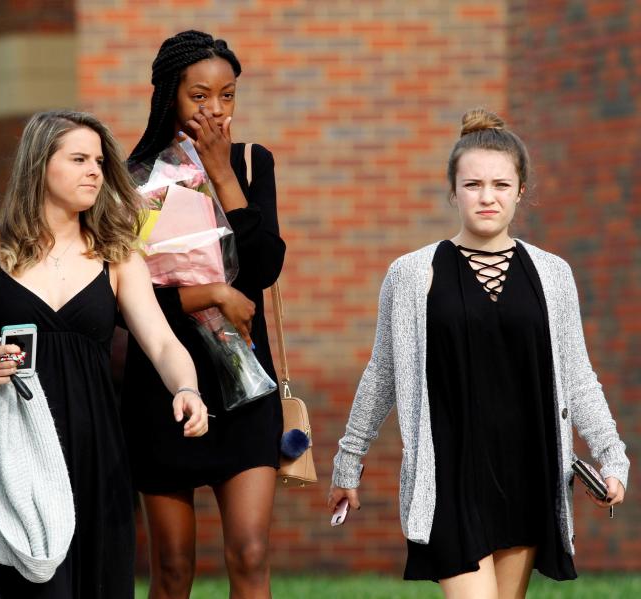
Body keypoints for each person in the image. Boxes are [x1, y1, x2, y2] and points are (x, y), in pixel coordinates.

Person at [329, 108, 629, 599]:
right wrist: (348, 462)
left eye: (500, 185)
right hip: (448, 471)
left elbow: (577, 375)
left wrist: (611, 457)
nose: (487, 197)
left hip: (529, 469)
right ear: (453, 191)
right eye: (472, 185)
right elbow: (382, 373)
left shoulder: (553, 275)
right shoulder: (410, 274)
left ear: (520, 191)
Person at [0, 109, 207, 598]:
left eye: (98, 161)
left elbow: (159, 341)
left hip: (98, 452)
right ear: (39, 166)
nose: (94, 170)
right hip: (16, 456)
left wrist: (187, 388)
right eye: (78, 159)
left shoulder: (117, 255)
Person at [122, 31, 286, 598]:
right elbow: (125, 301)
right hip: (165, 386)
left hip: (245, 378)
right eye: (199, 97)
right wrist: (213, 292)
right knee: (170, 566)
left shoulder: (249, 161)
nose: (215, 110)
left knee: (251, 551)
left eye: (227, 96)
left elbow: (264, 267)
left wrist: (222, 175)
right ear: (170, 95)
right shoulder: (131, 178)